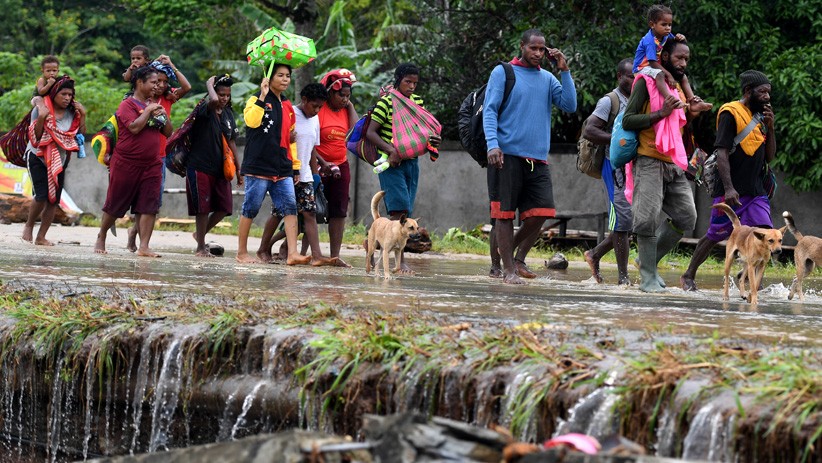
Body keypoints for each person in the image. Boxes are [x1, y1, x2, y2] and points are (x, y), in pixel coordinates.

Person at [483, 29, 577, 284]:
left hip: (537, 159)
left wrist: (564, 70)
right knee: (504, 215)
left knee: (542, 211)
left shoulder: (547, 78)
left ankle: (513, 258)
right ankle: (508, 271)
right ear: (522, 46)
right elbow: (490, 110)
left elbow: (570, 105)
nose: (537, 53)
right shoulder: (503, 72)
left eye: (541, 49)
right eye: (533, 48)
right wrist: (492, 145)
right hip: (506, 155)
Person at [621, 39, 712, 292]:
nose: (683, 63)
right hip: (648, 159)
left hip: (673, 162)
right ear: (664, 57)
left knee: (687, 216)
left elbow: (678, 126)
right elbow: (628, 120)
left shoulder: (678, 87)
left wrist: (693, 113)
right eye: (678, 58)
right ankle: (648, 278)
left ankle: (647, 261)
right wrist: (660, 113)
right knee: (647, 219)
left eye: (686, 59)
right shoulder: (646, 82)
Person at [680, 70, 776, 291]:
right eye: (762, 92)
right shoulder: (730, 113)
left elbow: (770, 156)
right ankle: (688, 275)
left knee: (766, 234)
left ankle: (748, 277)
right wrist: (729, 188)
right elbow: (722, 152)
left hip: (756, 190)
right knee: (715, 234)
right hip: (732, 190)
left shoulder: (761, 118)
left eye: (768, 93)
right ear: (748, 91)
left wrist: (771, 128)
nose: (767, 97)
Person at [365, 63, 442, 274]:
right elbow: (371, 132)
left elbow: (422, 129)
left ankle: (374, 243)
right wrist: (391, 150)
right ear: (398, 80)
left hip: (411, 162)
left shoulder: (417, 102)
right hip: (391, 163)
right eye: (408, 82)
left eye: (415, 83)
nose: (412, 87)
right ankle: (400, 262)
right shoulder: (386, 103)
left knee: (406, 209)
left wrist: (433, 139)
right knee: (398, 209)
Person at [236, 64, 311, 266]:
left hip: (283, 167)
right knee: (251, 208)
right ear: (269, 78)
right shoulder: (255, 99)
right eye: (280, 75)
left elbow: (291, 140)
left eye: (288, 76)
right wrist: (262, 95)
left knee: (290, 207)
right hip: (259, 166)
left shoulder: (287, 106)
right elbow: (251, 122)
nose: (285, 79)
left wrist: (295, 166)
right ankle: (241, 252)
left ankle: (292, 253)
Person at [95, 66, 172, 257]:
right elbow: (134, 128)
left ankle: (144, 246)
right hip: (126, 163)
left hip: (152, 163)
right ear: (139, 82)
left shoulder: (154, 104)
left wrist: (163, 114)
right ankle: (102, 235)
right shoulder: (127, 105)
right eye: (153, 82)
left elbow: (168, 132)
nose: (157, 86)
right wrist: (148, 111)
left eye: (158, 83)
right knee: (115, 203)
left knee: (149, 205)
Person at [263, 83, 339, 266]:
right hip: (286, 173)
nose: (317, 110)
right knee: (278, 213)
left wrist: (315, 175)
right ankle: (263, 249)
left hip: (305, 174)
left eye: (320, 107)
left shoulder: (315, 119)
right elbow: (277, 141)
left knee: (310, 213)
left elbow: (312, 148)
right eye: (314, 106)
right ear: (304, 100)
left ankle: (317, 256)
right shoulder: (289, 113)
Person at [126, 56, 192, 252]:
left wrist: (172, 65)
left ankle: (138, 236)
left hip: (159, 155)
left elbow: (187, 87)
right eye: (157, 81)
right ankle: (134, 235)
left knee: (153, 200)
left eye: (165, 81)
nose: (161, 85)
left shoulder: (167, 98)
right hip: (139, 155)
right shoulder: (138, 100)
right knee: (139, 199)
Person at [583, 59, 635, 286]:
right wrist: (618, 141)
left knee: (628, 221)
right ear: (619, 77)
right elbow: (590, 130)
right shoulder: (610, 101)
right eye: (630, 77)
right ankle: (623, 278)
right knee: (621, 219)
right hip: (613, 166)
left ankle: (594, 254)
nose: (634, 81)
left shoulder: (639, 99)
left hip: (633, 167)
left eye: (637, 77)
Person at [23, 76, 86, 245]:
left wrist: (83, 114)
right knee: (41, 195)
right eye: (63, 94)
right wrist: (42, 117)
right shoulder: (41, 109)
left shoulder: (73, 113)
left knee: (54, 200)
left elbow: (80, 135)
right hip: (37, 155)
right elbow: (35, 137)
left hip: (60, 160)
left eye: (70, 95)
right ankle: (29, 225)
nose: (67, 98)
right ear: (54, 94)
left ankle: (41, 236)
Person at [185, 74, 241, 257]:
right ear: (214, 93)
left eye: (228, 95)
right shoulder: (205, 108)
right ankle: (200, 248)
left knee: (224, 207)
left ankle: (199, 236)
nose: (224, 98)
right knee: (202, 208)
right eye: (221, 94)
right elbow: (214, 101)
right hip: (200, 165)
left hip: (221, 168)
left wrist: (239, 169)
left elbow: (232, 141)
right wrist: (209, 84)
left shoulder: (228, 114)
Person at [315, 69, 358, 268]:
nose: (344, 99)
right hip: (317, 164)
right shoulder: (319, 108)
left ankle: (335, 256)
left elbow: (356, 131)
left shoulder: (345, 109)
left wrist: (350, 106)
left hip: (341, 164)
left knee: (339, 211)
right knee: (309, 209)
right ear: (331, 92)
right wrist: (321, 163)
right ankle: (293, 250)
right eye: (341, 95)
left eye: (348, 96)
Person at [632, 5, 700, 109]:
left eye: (670, 24)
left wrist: (682, 38)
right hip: (642, 68)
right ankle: (672, 100)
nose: (668, 28)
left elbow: (677, 46)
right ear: (652, 24)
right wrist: (669, 75)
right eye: (664, 24)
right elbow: (652, 63)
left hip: (654, 66)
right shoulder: (649, 41)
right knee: (660, 74)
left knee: (683, 76)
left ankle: (693, 101)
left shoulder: (666, 35)